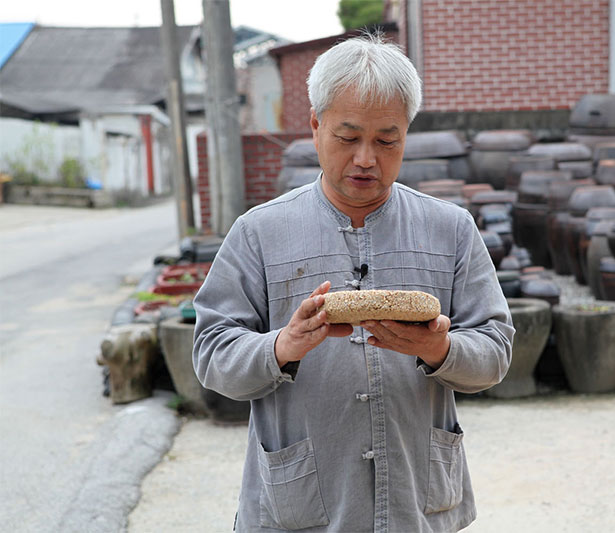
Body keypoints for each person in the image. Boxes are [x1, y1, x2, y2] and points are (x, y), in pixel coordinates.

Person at [193, 33, 513, 532]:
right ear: (316, 126)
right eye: (348, 137)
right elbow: (211, 355)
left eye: (387, 140)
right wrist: (283, 346)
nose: (367, 158)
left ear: (407, 133)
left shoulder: (450, 229)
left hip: (418, 505)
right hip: (299, 509)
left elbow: (495, 351)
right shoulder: (258, 232)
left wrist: (440, 349)